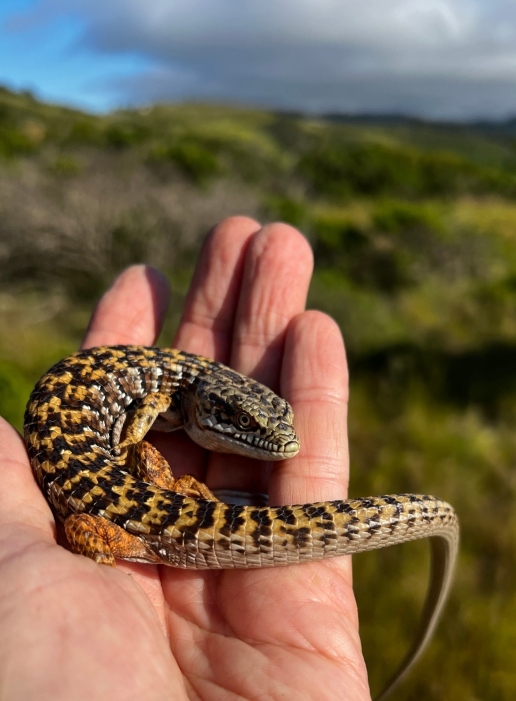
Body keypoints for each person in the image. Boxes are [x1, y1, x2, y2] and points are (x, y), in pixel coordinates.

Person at [0, 218, 371, 700]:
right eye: (242, 422)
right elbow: (89, 520)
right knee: (107, 506)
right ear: (204, 404)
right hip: (129, 518)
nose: (282, 442)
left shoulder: (176, 394)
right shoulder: (162, 402)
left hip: (127, 505)